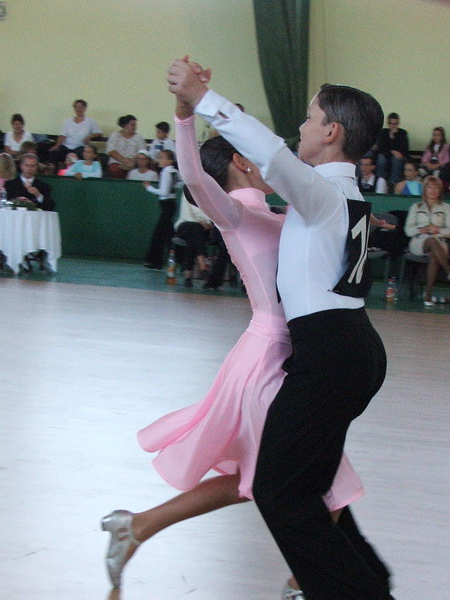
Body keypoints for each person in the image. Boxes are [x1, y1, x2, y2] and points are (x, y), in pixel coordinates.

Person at [101, 90, 365, 596]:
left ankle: (135, 527)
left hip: (287, 358)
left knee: (263, 477)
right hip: (267, 361)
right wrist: (183, 118)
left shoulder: (275, 211)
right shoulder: (236, 213)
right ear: (243, 162)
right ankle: (300, 587)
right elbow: (196, 179)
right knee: (326, 487)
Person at [170, 58, 394, 600]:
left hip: (330, 355)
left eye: (310, 118)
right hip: (349, 350)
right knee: (306, 489)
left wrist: (203, 99)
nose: (301, 127)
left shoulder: (321, 193)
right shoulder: (343, 198)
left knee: (279, 493)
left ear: (331, 132)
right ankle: (370, 585)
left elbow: (270, 154)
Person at [404, 175, 450, 306]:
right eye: (429, 187)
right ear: (424, 189)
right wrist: (420, 229)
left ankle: (428, 294)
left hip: (440, 241)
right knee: (431, 241)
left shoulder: (446, 208)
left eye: (436, 187)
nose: (432, 191)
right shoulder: (416, 207)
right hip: (419, 241)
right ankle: (448, 271)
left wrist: (438, 230)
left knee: (434, 251)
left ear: (440, 190)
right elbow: (408, 230)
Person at [143, 150, 180, 270]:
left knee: (159, 234)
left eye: (163, 157)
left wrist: (149, 188)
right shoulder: (174, 171)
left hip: (166, 205)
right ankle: (177, 259)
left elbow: (164, 192)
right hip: (171, 204)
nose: (160, 160)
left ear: (169, 161)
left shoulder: (166, 172)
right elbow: (179, 184)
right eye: (160, 157)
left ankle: (157, 261)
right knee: (168, 234)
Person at [174, 188, 212, 287]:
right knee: (195, 229)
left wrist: (207, 223)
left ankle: (188, 276)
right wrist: (204, 222)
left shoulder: (207, 190)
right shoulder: (188, 189)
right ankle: (203, 267)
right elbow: (192, 212)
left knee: (192, 239)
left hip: (199, 229)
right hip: (185, 224)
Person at [48, 99, 103, 169]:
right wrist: (57, 145)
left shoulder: (90, 121)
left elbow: (99, 133)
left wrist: (90, 136)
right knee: (53, 152)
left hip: (81, 147)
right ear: (74, 109)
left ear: (85, 109)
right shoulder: (68, 121)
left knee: (85, 154)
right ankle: (53, 170)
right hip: (66, 147)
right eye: (77, 107)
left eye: (81, 107)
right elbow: (62, 135)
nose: (79, 109)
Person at [374, 112, 409, 183]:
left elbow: (403, 149)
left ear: (398, 123)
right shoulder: (383, 132)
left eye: (395, 124)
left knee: (396, 158)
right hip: (385, 156)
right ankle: (380, 181)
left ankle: (393, 182)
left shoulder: (403, 133)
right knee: (381, 158)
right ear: (388, 123)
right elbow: (381, 147)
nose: (393, 126)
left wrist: (394, 136)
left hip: (399, 158)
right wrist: (392, 151)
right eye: (391, 123)